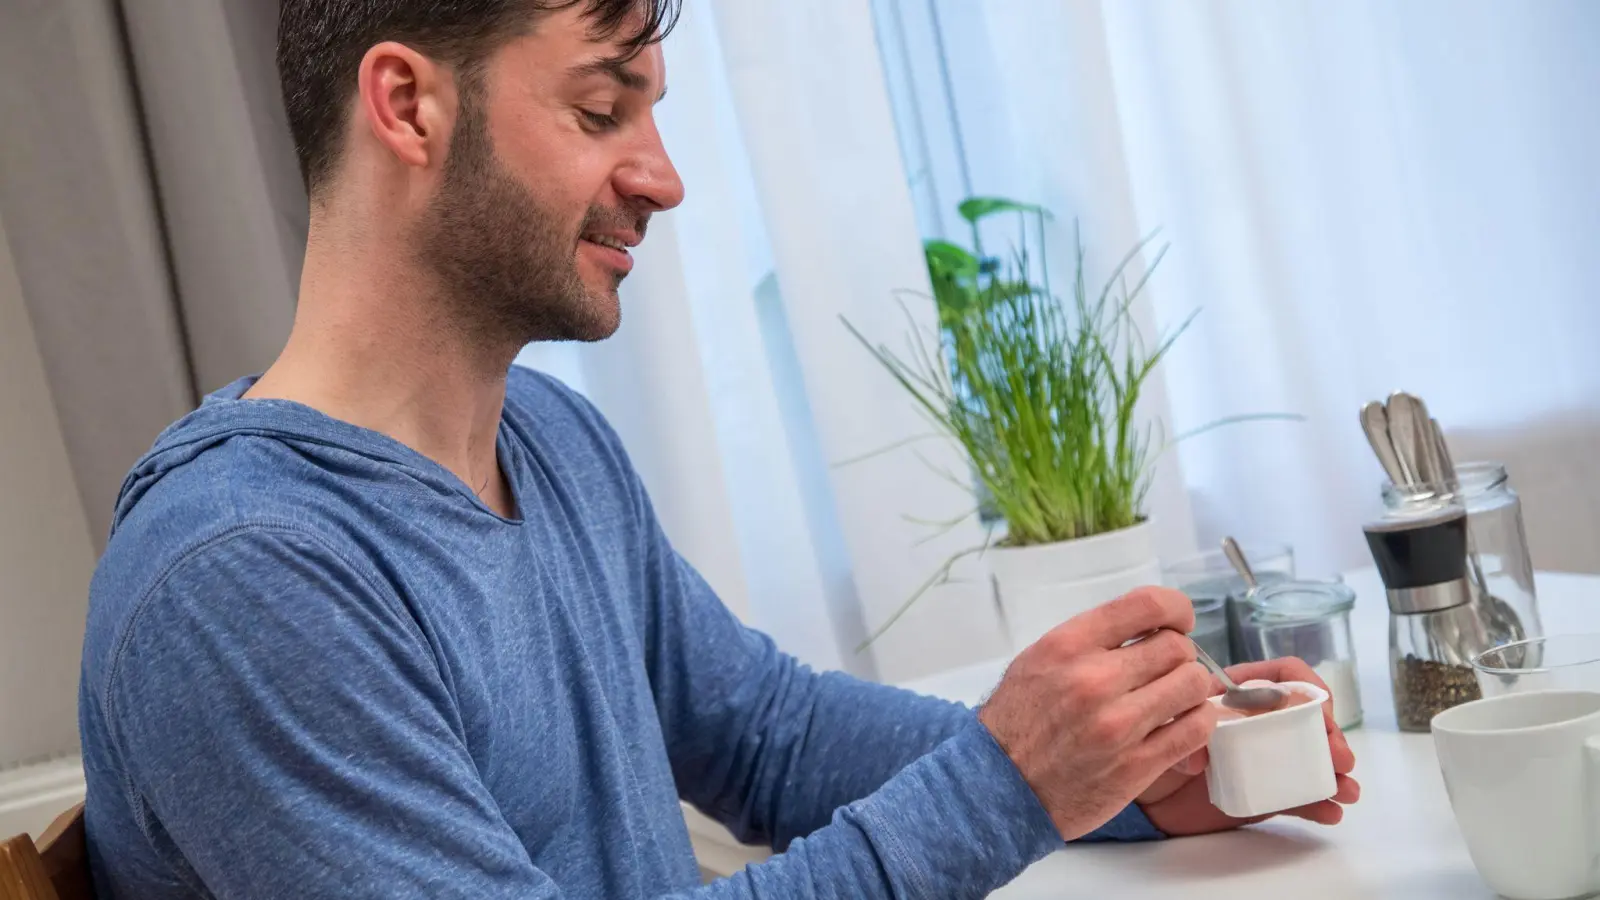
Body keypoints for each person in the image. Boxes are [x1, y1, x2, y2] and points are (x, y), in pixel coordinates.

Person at [76, 1, 1359, 897]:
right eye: (599, 108)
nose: (664, 177)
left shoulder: (550, 442)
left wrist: (1121, 783)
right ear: (408, 105)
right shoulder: (244, 580)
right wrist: (1005, 786)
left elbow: (767, 738)